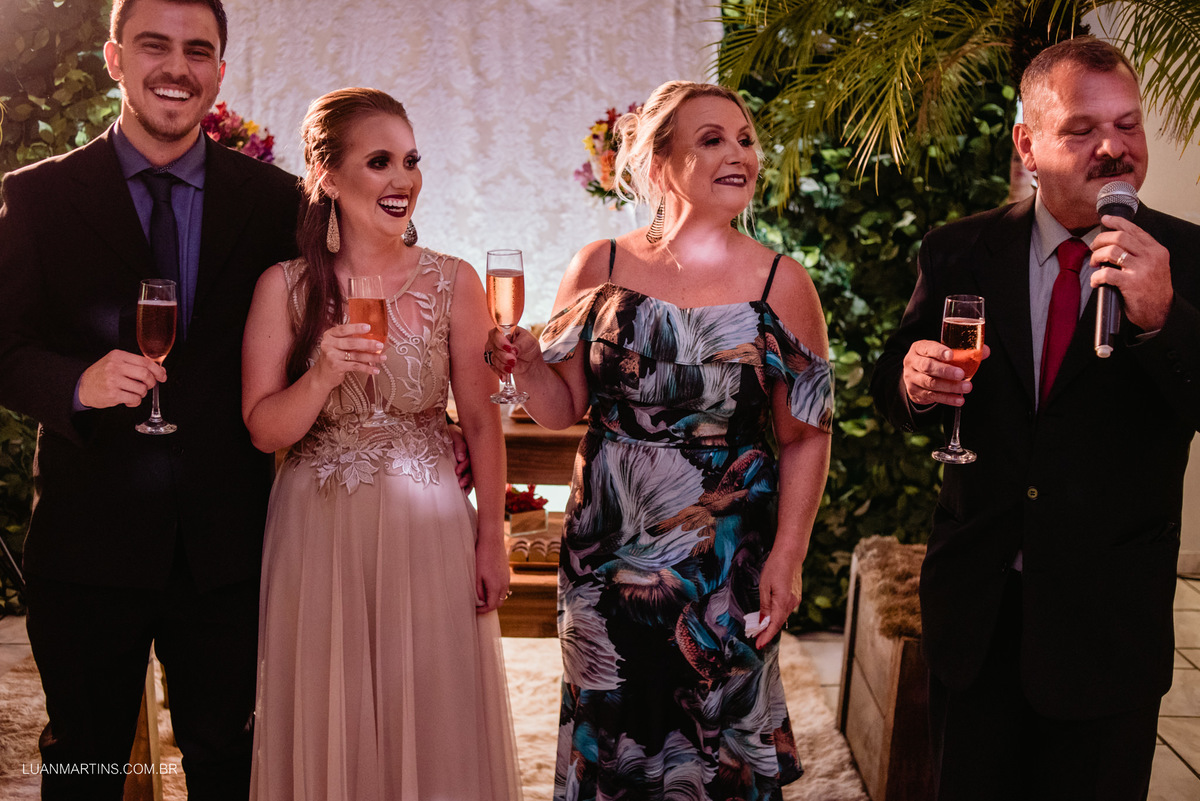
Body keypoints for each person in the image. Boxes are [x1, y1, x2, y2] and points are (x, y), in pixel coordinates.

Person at [871, 36, 1200, 801]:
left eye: (1127, 124)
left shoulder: (1188, 257)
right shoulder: (958, 249)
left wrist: (1164, 319)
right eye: (1082, 129)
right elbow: (890, 386)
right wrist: (914, 380)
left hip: (1108, 627)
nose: (1113, 147)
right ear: (1028, 144)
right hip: (976, 619)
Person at [486, 81, 833, 801]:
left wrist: (789, 554)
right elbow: (563, 407)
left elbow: (804, 437)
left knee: (715, 737)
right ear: (658, 162)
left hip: (724, 558)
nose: (739, 153)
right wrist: (524, 366)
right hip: (605, 548)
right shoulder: (600, 266)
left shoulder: (782, 283)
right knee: (611, 725)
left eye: (745, 139)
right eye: (712, 139)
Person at [0, 0, 300, 797]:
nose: (176, 67)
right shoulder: (38, 197)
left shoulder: (277, 202)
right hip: (88, 543)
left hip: (228, 548)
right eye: (153, 45)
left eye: (197, 50)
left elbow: (319, 331)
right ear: (115, 59)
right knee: (86, 762)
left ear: (220, 72)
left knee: (228, 765)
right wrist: (76, 383)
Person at [242, 87, 522, 801]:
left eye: (411, 160)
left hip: (429, 527)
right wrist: (321, 376)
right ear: (327, 176)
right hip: (319, 531)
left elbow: (482, 421)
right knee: (328, 715)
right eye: (380, 161)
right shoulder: (284, 287)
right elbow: (263, 427)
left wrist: (491, 538)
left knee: (432, 717)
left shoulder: (454, 281)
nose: (403, 179)